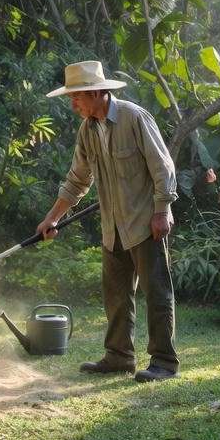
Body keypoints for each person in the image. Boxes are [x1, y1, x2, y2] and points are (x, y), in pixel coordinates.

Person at [36, 60, 180, 382]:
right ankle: (119, 357)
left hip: (145, 224)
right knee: (115, 296)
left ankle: (164, 362)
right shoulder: (88, 129)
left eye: (77, 96)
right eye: (71, 97)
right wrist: (52, 218)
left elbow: (163, 168)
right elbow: (77, 180)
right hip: (112, 227)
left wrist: (162, 211)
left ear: (98, 92)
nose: (73, 103)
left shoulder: (134, 117)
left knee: (156, 293)